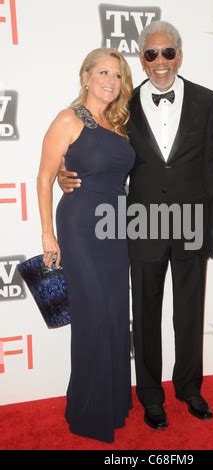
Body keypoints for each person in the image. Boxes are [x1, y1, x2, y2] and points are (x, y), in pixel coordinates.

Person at [59, 21, 213, 430]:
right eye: (151, 54)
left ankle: (188, 387)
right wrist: (66, 174)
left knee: (189, 314)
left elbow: (212, 165)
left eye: (167, 52)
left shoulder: (206, 100)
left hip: (191, 223)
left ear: (179, 55)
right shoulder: (123, 105)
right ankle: (151, 395)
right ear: (142, 58)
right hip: (141, 224)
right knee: (146, 315)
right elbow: (93, 148)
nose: (160, 61)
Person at [37, 48, 135, 443]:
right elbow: (45, 177)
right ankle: (88, 411)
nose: (110, 81)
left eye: (118, 75)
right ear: (87, 75)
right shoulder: (68, 119)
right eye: (104, 72)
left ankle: (112, 403)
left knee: (113, 314)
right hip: (79, 227)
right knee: (94, 316)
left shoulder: (118, 127)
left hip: (116, 229)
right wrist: (47, 233)